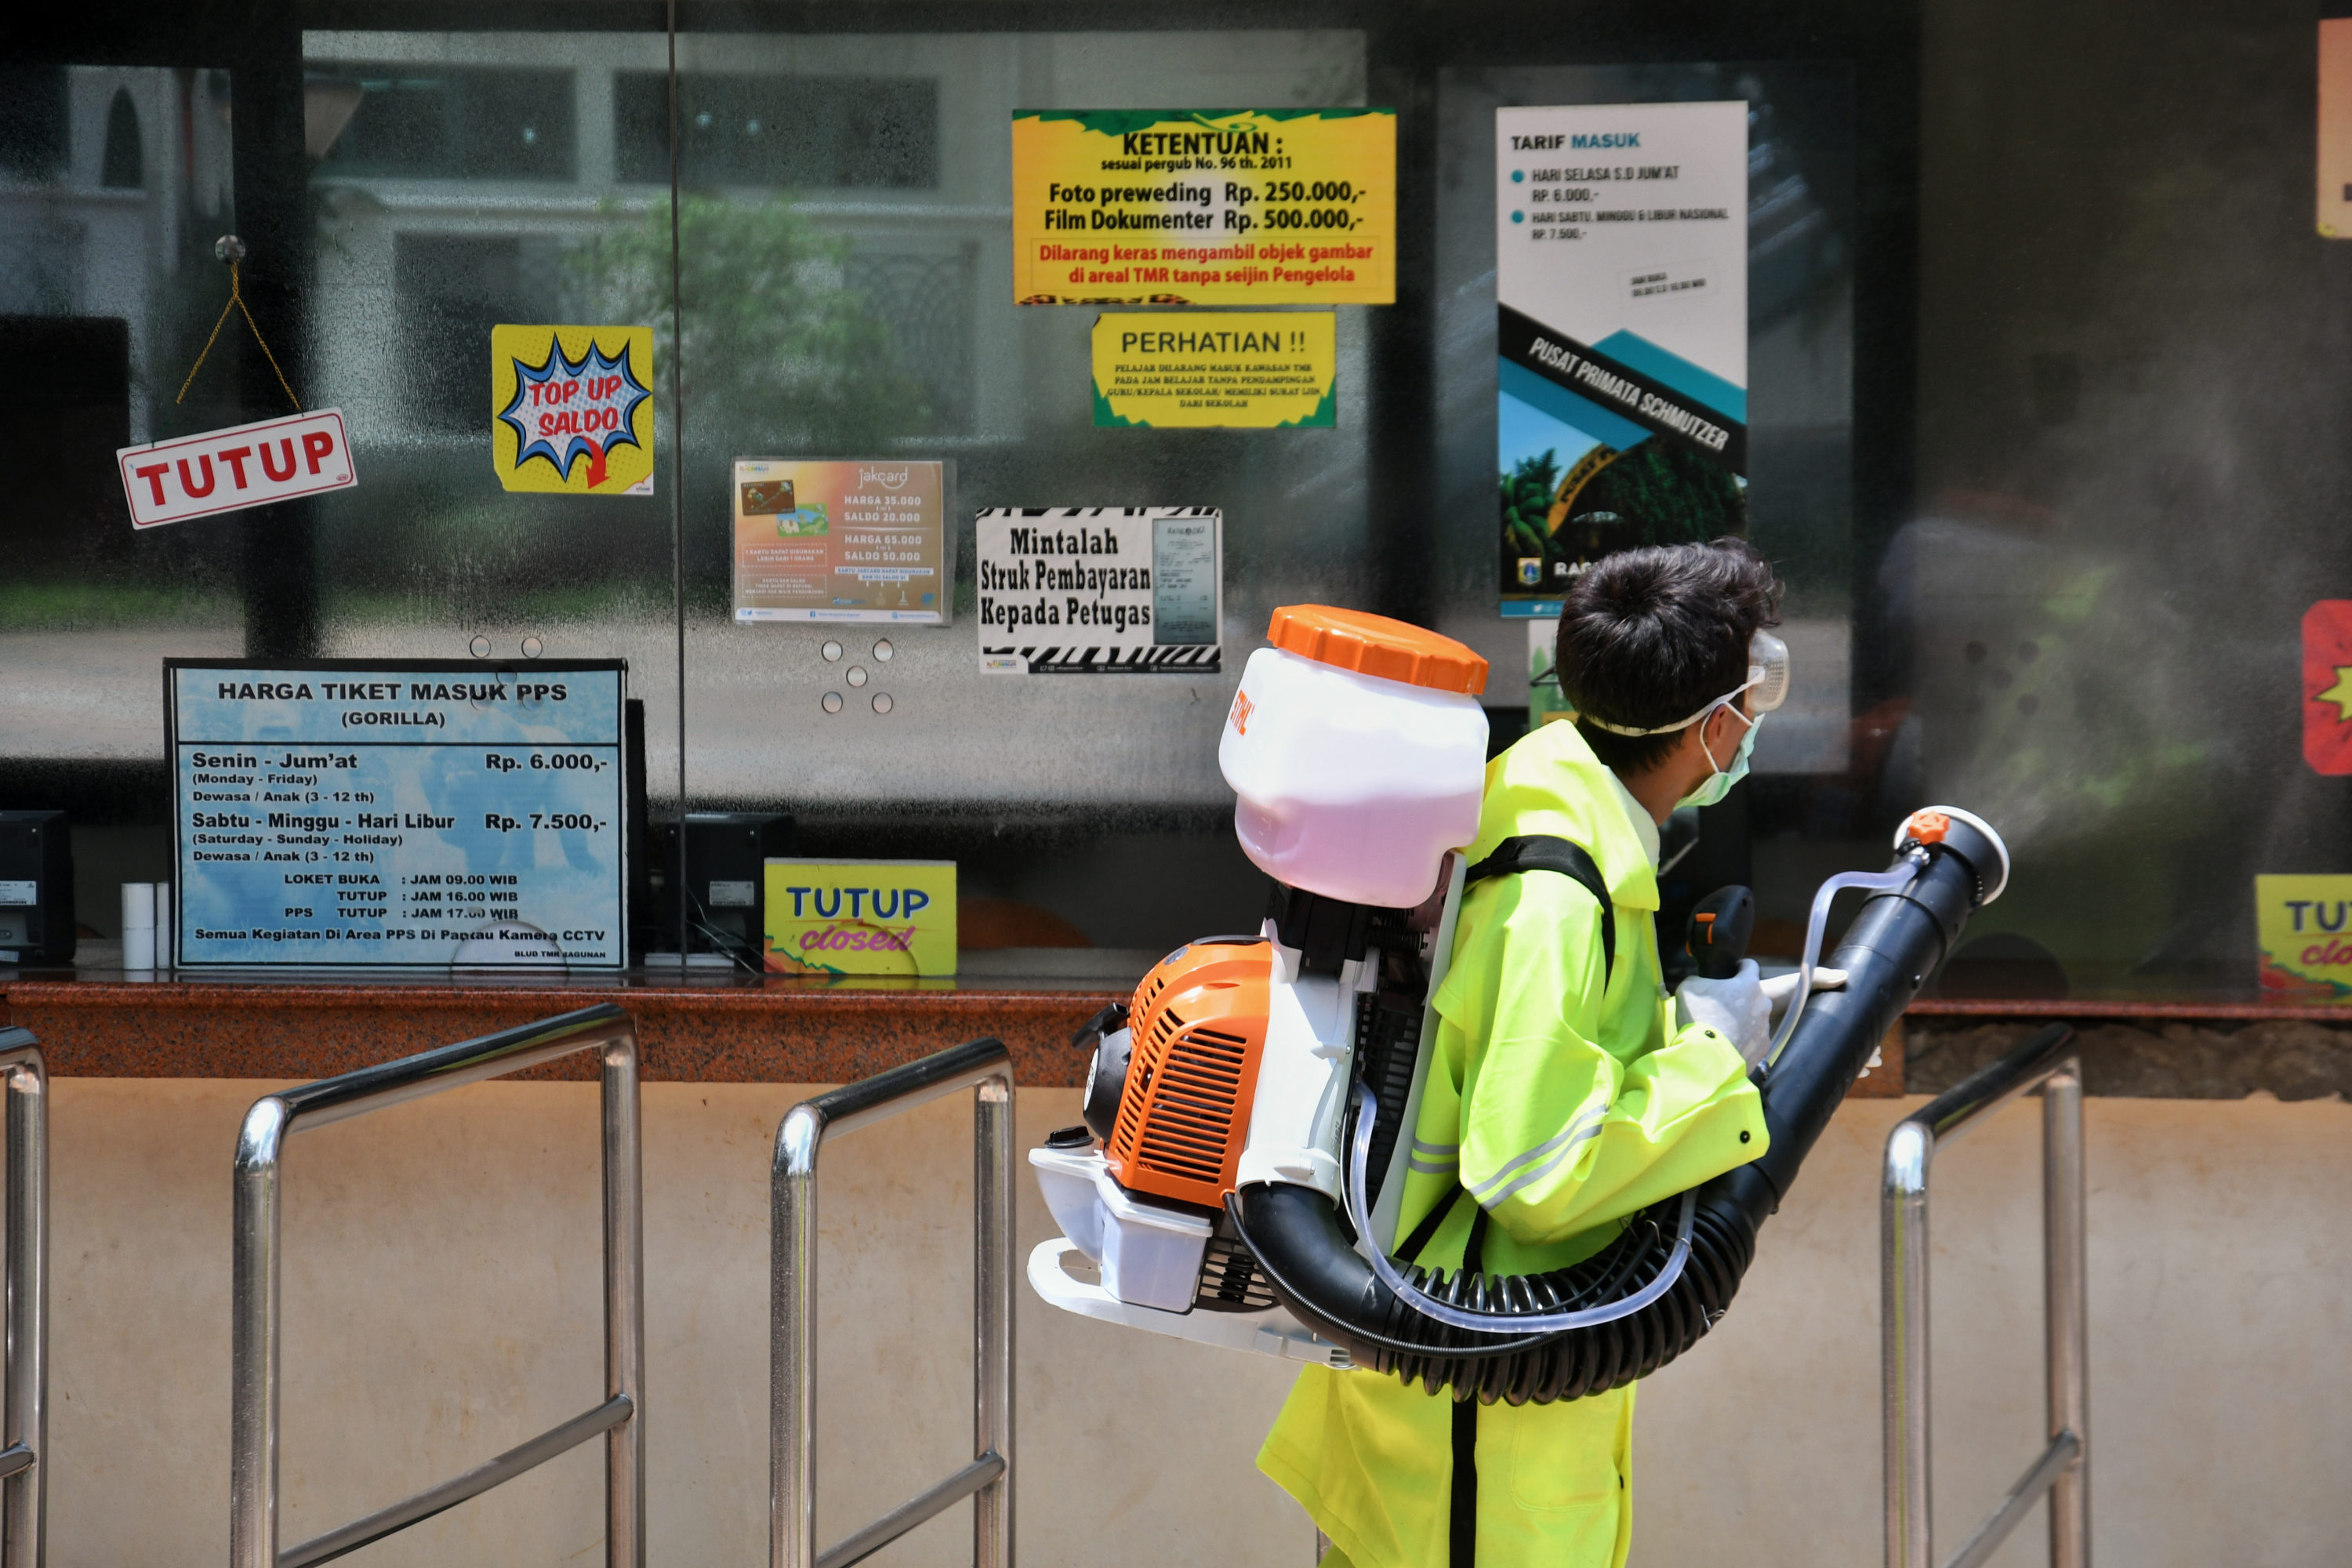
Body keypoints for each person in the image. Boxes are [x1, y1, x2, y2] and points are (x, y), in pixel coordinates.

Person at [1257, 538, 1786, 1568]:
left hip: (1445, 1412)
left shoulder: (1547, 799)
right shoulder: (1556, 893)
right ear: (1715, 723)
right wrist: (1714, 1060)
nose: (1755, 725)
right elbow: (1533, 1166)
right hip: (1472, 1445)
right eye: (1755, 697)